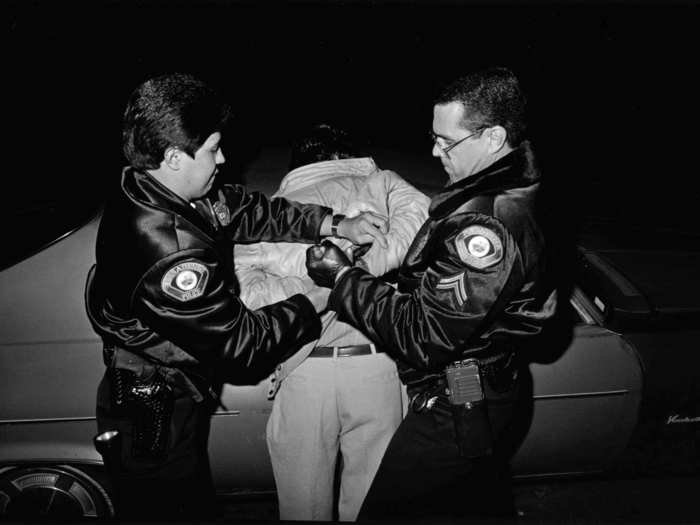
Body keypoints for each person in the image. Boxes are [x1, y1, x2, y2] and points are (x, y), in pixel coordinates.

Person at [84, 73, 388, 520]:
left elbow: (246, 210)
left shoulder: (154, 187)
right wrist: (327, 288)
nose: (223, 158)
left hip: (171, 384)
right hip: (155, 409)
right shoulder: (169, 252)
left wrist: (334, 223)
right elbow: (242, 346)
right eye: (212, 149)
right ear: (172, 156)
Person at [305, 67, 573, 520]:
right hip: (483, 387)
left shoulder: (485, 226)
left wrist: (343, 278)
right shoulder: (515, 189)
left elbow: (424, 334)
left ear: (493, 137)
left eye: (446, 142)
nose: (434, 151)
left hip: (461, 401)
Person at [234, 124, 430, 521]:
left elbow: (249, 299)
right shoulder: (385, 185)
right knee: (374, 506)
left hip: (305, 368)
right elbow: (424, 223)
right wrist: (355, 272)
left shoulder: (273, 208)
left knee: (302, 507)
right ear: (344, 155)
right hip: (378, 364)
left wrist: (319, 280)